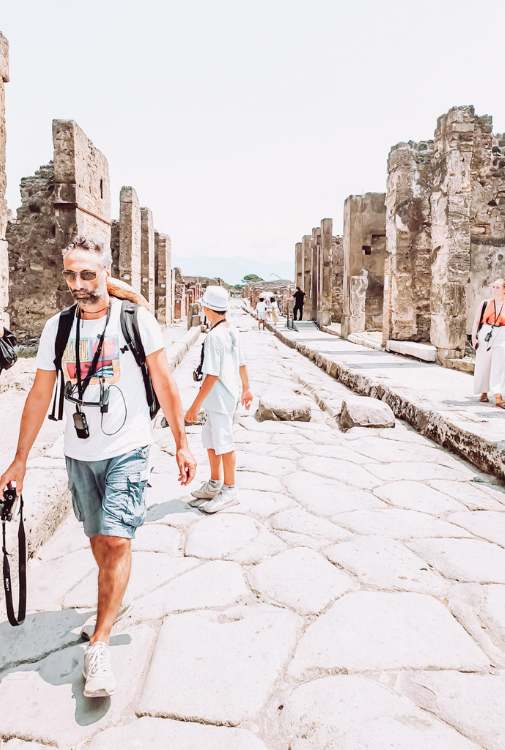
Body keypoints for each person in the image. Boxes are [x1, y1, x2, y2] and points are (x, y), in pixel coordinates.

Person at [0, 236, 196, 698]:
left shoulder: (135, 321)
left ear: (106, 273)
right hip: (79, 452)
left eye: (88, 274)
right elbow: (38, 395)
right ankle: (114, 592)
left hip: (128, 448)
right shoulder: (57, 328)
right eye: (70, 274)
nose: (78, 283)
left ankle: (100, 643)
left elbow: (165, 384)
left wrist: (182, 443)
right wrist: (19, 460)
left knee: (114, 538)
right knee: (99, 543)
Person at [185, 286, 253, 513]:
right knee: (212, 442)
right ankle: (214, 483)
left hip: (219, 399)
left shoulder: (214, 336)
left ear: (206, 308)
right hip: (223, 398)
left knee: (223, 443)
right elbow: (241, 363)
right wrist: (246, 389)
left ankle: (230, 488)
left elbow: (212, 374)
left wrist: (194, 406)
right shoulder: (231, 330)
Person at [472, 278, 505, 408]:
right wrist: (474, 337)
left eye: (497, 287)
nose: (494, 289)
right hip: (486, 331)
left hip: (502, 333)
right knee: (483, 363)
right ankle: (483, 391)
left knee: (500, 364)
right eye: (493, 287)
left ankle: (498, 395)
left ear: (504, 290)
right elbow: (476, 322)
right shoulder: (485, 303)